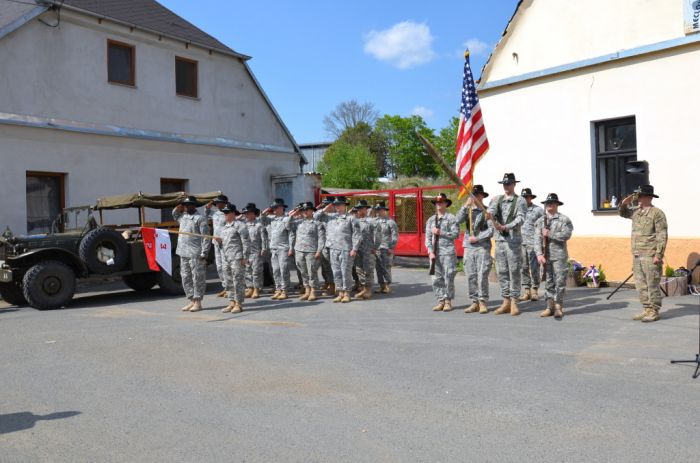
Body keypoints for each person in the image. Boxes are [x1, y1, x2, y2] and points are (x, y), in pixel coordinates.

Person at [619, 185, 668, 322]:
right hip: (637, 255)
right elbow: (623, 213)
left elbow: (662, 235)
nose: (638, 198)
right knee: (640, 285)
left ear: (649, 197)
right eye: (637, 196)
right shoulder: (636, 212)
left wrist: (659, 255)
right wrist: (624, 203)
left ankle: (654, 310)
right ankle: (647, 308)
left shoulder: (657, 213)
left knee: (652, 284)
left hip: (650, 255)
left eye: (640, 196)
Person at [487, 173, 527, 316]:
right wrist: (489, 217)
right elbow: (490, 214)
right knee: (502, 272)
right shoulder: (497, 199)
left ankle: (515, 301)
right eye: (504, 184)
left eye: (509, 183)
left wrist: (507, 226)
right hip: (500, 242)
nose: (506, 186)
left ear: (514, 184)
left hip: (513, 241)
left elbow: (521, 219)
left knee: (514, 271)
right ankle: (505, 301)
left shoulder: (520, 201)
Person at [315, 196, 361, 303]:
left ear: (345, 205)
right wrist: (325, 208)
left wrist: (354, 249)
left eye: (339, 205)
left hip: (346, 249)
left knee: (346, 272)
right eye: (335, 205)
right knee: (336, 272)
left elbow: (357, 235)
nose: (337, 207)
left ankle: (347, 293)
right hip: (333, 248)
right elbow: (316, 217)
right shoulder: (330, 217)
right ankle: (340, 292)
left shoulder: (351, 218)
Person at [535, 193, 574, 319]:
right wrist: (539, 254)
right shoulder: (540, 221)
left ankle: (558, 306)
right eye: (547, 203)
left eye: (552, 203)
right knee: (548, 282)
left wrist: (550, 234)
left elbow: (566, 235)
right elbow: (536, 239)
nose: (549, 205)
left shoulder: (564, 220)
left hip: (559, 256)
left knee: (560, 281)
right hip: (545, 256)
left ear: (557, 204)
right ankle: (549, 306)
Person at [455, 185, 493, 314]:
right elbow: (457, 220)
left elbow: (491, 230)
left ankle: (482, 302)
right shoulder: (468, 210)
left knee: (482, 275)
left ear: (482, 196)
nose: (475, 197)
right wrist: (465, 206)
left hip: (482, 246)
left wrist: (477, 238)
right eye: (473, 195)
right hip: (469, 248)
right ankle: (474, 302)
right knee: (471, 275)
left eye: (478, 195)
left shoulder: (487, 211)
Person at [172, 196, 211, 312]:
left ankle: (198, 302)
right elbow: (175, 215)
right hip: (183, 252)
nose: (186, 207)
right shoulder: (183, 217)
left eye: (189, 205)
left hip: (195, 253)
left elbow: (206, 237)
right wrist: (177, 207)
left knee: (197, 277)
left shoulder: (200, 218)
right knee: (185, 277)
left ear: (194, 205)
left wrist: (204, 252)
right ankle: (191, 300)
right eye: (185, 205)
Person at [425, 193, 459, 312]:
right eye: (437, 202)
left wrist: (441, 232)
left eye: (441, 202)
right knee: (436, 278)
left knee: (448, 277)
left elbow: (456, 234)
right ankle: (440, 300)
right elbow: (428, 238)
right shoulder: (430, 220)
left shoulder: (451, 218)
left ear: (446, 204)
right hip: (435, 253)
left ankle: (448, 301)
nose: (439, 204)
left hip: (447, 253)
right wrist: (430, 252)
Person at [290, 202, 326, 301]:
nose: (304, 212)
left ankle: (313, 291)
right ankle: (307, 291)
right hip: (299, 250)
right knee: (303, 272)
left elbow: (321, 239)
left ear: (312, 211)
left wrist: (319, 251)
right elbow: (287, 226)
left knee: (312, 271)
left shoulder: (317, 223)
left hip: (312, 251)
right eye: (303, 210)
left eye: (307, 210)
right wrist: (293, 214)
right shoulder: (298, 222)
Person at [260, 198, 295, 300]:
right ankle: (278, 289)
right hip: (273, 248)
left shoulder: (286, 219)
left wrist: (291, 248)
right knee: (275, 270)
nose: (274, 209)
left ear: (282, 208)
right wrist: (268, 209)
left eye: (276, 207)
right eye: (273, 207)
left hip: (283, 248)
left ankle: (285, 290)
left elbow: (291, 234)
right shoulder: (271, 219)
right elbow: (262, 219)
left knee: (284, 270)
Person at [219, 203, 250, 314]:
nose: (225, 215)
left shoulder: (240, 225)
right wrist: (219, 242)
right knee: (228, 281)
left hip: (237, 257)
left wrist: (245, 257)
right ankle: (231, 302)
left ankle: (238, 303)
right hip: (226, 257)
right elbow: (224, 244)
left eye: (227, 213)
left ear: (233, 213)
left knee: (238, 280)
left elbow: (246, 242)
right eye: (224, 213)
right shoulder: (224, 227)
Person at [519, 188, 543, 302]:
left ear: (530, 198)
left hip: (533, 243)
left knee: (534, 268)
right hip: (520, 243)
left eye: (527, 197)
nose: (525, 199)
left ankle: (534, 290)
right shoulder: (518, 210)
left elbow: (544, 224)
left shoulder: (538, 210)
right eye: (523, 197)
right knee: (523, 267)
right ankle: (526, 290)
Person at [241, 202, 268, 299]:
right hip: (246, 252)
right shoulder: (243, 225)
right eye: (245, 213)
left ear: (253, 213)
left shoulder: (259, 225)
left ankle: (257, 288)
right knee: (247, 271)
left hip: (256, 251)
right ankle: (250, 287)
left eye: (248, 213)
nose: (246, 215)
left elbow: (264, 238)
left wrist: (264, 248)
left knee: (256, 271)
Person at [205, 194, 230, 298]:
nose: (218, 204)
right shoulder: (214, 214)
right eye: (217, 203)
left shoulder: (229, 213)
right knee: (219, 267)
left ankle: (230, 288)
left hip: (225, 243)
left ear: (225, 203)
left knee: (226, 266)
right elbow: (206, 211)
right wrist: (212, 201)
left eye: (220, 202)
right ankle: (225, 287)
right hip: (216, 243)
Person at [373, 202, 398, 294]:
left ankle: (387, 286)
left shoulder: (390, 222)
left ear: (384, 210)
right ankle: (381, 286)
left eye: (380, 210)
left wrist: (392, 247)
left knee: (386, 267)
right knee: (378, 268)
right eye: (377, 210)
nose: (378, 212)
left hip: (386, 248)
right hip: (376, 248)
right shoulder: (374, 221)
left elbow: (395, 236)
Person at [354, 200, 377, 299]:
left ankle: (368, 290)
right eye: (357, 209)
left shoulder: (372, 221)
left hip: (368, 250)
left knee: (368, 269)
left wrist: (375, 247)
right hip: (358, 250)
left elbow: (378, 235)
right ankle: (363, 288)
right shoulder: (356, 221)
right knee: (359, 269)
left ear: (365, 209)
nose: (358, 211)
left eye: (360, 209)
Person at [317, 196, 336, 296]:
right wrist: (322, 209)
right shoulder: (323, 215)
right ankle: (330, 285)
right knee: (327, 267)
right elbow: (315, 216)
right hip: (325, 246)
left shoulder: (338, 215)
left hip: (337, 246)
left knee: (337, 267)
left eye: (327, 204)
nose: (326, 206)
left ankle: (339, 287)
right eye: (324, 204)